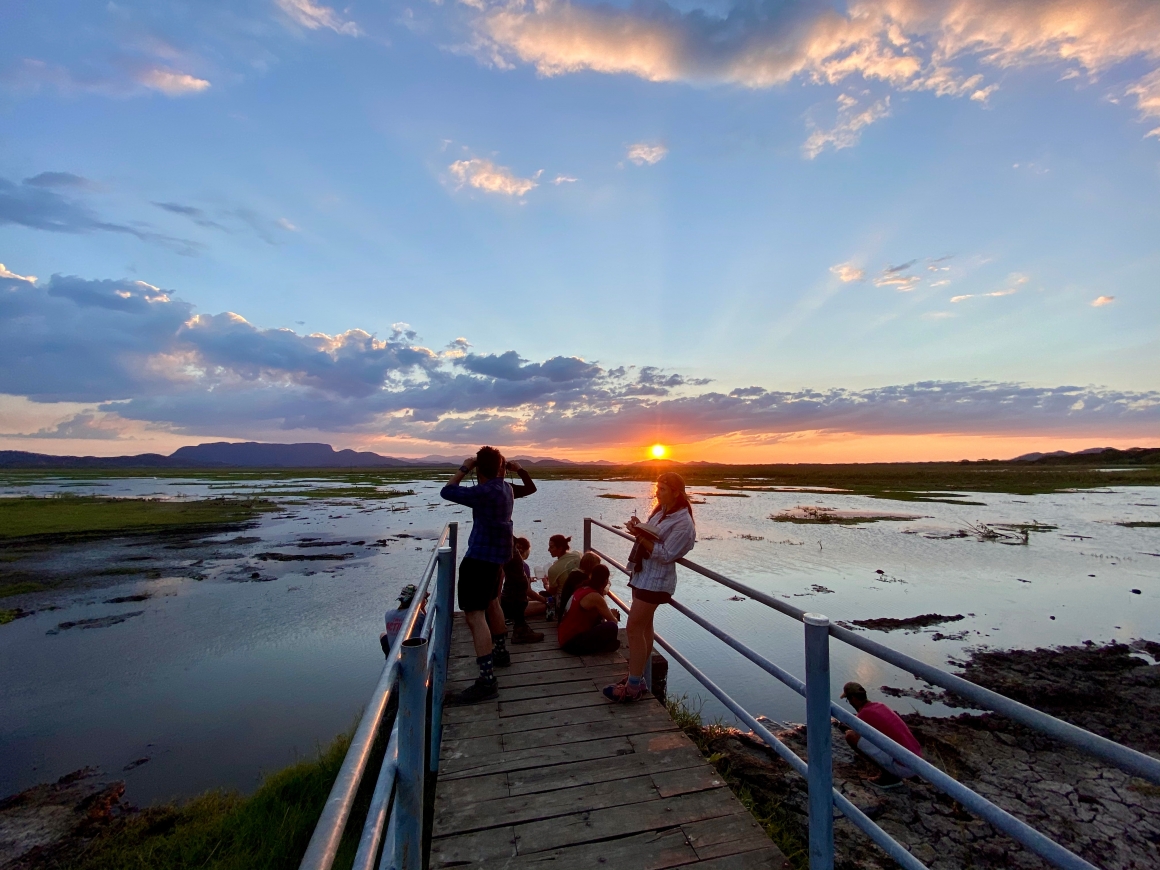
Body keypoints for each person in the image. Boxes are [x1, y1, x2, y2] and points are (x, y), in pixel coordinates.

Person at [440, 446, 536, 703]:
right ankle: (501, 654)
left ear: (480, 469)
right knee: (493, 602)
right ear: (501, 468)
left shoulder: (485, 492)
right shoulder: (505, 489)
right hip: (498, 558)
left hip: (480, 558)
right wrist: (516, 469)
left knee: (474, 615)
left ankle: (487, 681)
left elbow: (446, 491)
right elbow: (528, 487)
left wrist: (464, 467)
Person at [604, 472, 696, 702]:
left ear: (676, 492)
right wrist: (641, 528)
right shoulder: (662, 511)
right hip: (644, 576)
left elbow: (665, 555)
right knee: (644, 629)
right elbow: (653, 538)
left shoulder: (683, 523)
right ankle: (638, 679)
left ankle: (633, 687)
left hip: (656, 582)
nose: (657, 492)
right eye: (658, 488)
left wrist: (639, 534)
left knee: (634, 628)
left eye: (663, 489)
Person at [839, 681, 923, 788]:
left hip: (904, 767)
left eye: (848, 699)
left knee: (850, 736)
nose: (849, 702)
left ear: (854, 699)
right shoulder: (880, 705)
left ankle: (889, 776)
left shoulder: (864, 715)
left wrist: (838, 725)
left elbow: (853, 731)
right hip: (917, 761)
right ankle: (896, 772)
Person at [558, 565, 622, 655]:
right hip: (571, 643)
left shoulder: (582, 588)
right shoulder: (595, 597)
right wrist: (613, 615)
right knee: (612, 627)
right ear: (605, 581)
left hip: (563, 636)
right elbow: (613, 621)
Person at [501, 536, 546, 644]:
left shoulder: (508, 562)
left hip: (505, 601)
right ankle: (521, 628)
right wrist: (545, 600)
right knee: (543, 605)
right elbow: (528, 591)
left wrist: (528, 580)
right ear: (526, 551)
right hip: (513, 605)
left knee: (534, 598)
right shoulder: (523, 566)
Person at [543, 534, 581, 613]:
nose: (548, 550)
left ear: (560, 548)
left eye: (551, 547)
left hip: (563, 602)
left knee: (541, 600)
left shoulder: (553, 569)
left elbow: (551, 592)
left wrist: (546, 584)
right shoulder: (577, 555)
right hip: (579, 596)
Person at [557, 551, 601, 618]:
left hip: (564, 615)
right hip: (570, 619)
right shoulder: (584, 580)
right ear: (592, 567)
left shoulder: (574, 574)